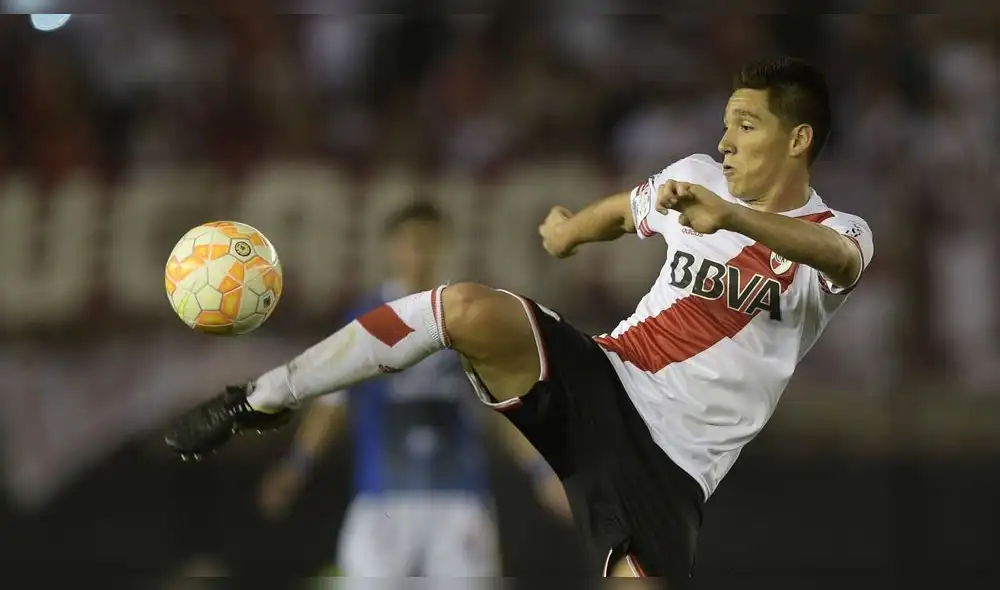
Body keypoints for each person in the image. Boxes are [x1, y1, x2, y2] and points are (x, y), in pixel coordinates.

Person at [165, 57, 874, 587]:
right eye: (724, 125)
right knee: (465, 308)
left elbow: (836, 258)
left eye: (745, 127)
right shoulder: (699, 177)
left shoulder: (841, 232)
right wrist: (571, 231)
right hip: (604, 382)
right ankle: (261, 398)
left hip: (674, 471)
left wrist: (735, 219)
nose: (724, 142)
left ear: (798, 139)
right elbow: (630, 207)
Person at [255, 203, 568, 581]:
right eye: (411, 243)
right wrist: (296, 467)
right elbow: (332, 406)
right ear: (392, 249)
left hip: (459, 499)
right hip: (382, 498)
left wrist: (541, 472)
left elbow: (500, 410)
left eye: (428, 243)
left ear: (445, 247)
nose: (419, 254)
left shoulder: (467, 317)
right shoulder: (365, 321)